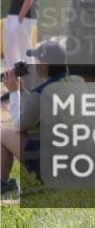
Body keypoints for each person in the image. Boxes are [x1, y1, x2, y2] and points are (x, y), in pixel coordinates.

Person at [1, 38, 84, 197]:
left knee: (3, 135)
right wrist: (22, 91)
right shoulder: (77, 81)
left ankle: (3, 186)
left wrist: (13, 92)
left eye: (37, 59)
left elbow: (20, 125)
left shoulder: (41, 93)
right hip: (81, 162)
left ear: (44, 64)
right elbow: (35, 111)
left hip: (55, 168)